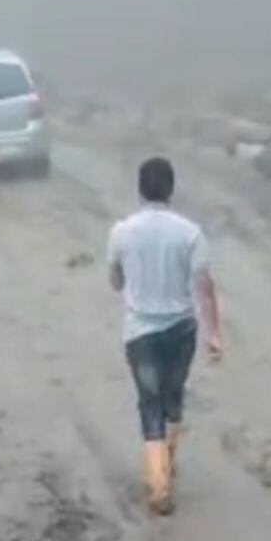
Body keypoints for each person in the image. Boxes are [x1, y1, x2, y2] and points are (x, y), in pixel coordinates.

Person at [107, 156, 224, 515]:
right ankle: (167, 464)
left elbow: (115, 282)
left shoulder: (121, 232)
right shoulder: (189, 232)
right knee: (173, 399)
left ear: (140, 189)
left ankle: (159, 486)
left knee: (149, 402)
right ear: (171, 189)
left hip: (141, 332)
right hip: (181, 330)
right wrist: (215, 333)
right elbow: (205, 287)